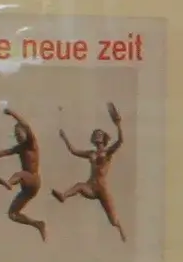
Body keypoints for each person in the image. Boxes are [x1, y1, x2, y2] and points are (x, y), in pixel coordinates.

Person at [54, 103, 131, 241]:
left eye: (99, 134)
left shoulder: (108, 152)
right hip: (91, 186)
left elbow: (120, 141)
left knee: (113, 219)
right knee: (79, 185)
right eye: (95, 134)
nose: (96, 136)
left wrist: (118, 125)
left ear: (103, 138)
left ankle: (120, 229)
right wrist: (64, 138)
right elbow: (74, 151)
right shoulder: (91, 153)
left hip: (101, 188)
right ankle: (63, 196)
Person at [0, 107, 50, 239]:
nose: (17, 137)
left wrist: (12, 113)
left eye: (19, 134)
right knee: (12, 214)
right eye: (15, 135)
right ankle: (37, 224)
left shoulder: (32, 144)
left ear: (25, 133)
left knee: (20, 174)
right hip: (27, 188)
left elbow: (26, 125)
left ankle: (9, 183)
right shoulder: (20, 148)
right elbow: (5, 152)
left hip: (33, 179)